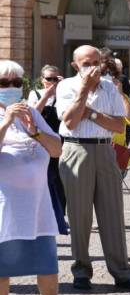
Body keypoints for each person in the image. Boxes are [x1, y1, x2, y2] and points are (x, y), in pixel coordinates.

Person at [56, 45, 130, 292]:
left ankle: (121, 271)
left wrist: (92, 114)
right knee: (79, 214)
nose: (94, 67)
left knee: (113, 213)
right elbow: (71, 121)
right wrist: (84, 90)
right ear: (75, 65)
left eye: (97, 62)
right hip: (76, 150)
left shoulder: (109, 87)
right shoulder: (66, 86)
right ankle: (81, 270)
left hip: (105, 149)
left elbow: (119, 126)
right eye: (87, 63)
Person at [0, 60, 80, 295]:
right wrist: (7, 121)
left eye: (15, 83)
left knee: (47, 261)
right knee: (2, 263)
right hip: (5, 205)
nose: (10, 88)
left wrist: (34, 130)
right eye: (4, 83)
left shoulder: (33, 112)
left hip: (38, 203)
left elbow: (57, 149)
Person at [28, 65, 68, 235]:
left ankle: (60, 216)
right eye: (48, 79)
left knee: (61, 179)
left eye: (55, 79)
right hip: (40, 141)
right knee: (44, 178)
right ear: (42, 80)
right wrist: (47, 95)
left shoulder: (64, 94)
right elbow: (33, 114)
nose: (52, 82)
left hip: (60, 141)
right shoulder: (35, 94)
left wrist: (63, 89)